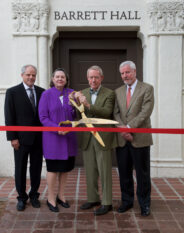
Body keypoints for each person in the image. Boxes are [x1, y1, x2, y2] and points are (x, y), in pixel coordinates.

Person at [73, 65, 116, 216]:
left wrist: (87, 105)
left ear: (101, 78)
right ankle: (93, 199)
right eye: (91, 77)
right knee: (90, 170)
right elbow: (78, 114)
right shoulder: (82, 93)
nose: (93, 80)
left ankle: (107, 202)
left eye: (96, 77)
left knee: (104, 171)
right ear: (87, 78)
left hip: (102, 137)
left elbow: (106, 113)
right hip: (87, 137)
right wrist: (75, 102)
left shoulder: (109, 93)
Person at [113, 61, 154, 217]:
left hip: (140, 138)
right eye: (122, 73)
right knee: (124, 172)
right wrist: (123, 130)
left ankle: (144, 204)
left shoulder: (147, 88)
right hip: (122, 139)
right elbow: (115, 113)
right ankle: (127, 201)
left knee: (143, 174)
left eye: (127, 72)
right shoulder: (117, 92)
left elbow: (146, 112)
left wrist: (130, 128)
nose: (125, 76)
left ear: (135, 72)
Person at [4, 64, 45, 211]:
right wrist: (12, 138)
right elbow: (9, 117)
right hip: (20, 140)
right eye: (28, 75)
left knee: (36, 168)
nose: (31, 77)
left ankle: (34, 195)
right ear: (22, 75)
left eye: (33, 75)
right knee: (20, 169)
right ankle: (21, 197)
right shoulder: (12, 92)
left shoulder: (42, 92)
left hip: (39, 139)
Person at [38, 68, 78, 212]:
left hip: (69, 137)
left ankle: (61, 196)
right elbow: (43, 117)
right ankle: (51, 198)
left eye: (62, 77)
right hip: (53, 138)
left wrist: (76, 108)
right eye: (57, 77)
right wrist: (57, 128)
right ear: (53, 79)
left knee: (66, 169)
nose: (60, 79)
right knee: (53, 169)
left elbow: (75, 114)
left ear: (66, 79)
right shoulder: (46, 95)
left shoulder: (71, 93)